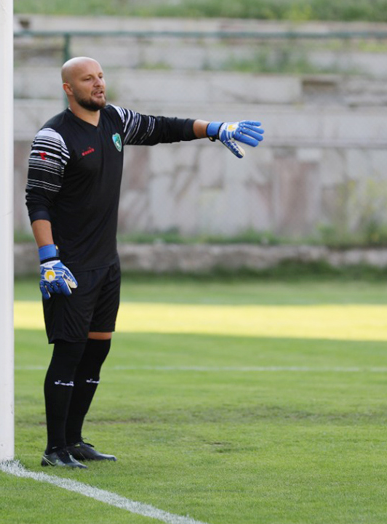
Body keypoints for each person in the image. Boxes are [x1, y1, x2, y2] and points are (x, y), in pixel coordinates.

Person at [25, 57, 264, 469]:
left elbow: (161, 128)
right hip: (70, 267)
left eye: (101, 76)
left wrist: (215, 129)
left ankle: (75, 440)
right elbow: (38, 201)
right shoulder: (53, 137)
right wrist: (49, 260)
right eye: (88, 79)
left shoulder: (115, 119)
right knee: (68, 354)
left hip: (106, 263)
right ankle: (54, 449)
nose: (99, 84)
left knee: (97, 352)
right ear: (69, 88)